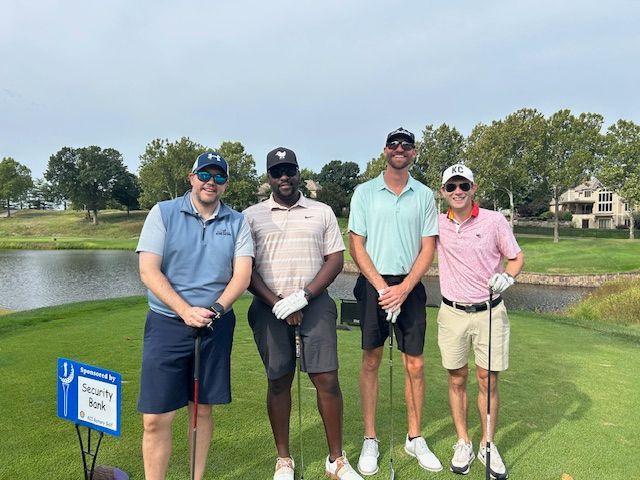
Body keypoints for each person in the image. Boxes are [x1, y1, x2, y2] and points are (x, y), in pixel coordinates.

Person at [243, 147, 363, 480]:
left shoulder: (321, 211)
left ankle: (335, 460)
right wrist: (278, 302)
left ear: (298, 173)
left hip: (316, 303)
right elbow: (244, 268)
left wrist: (303, 297)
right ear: (269, 177)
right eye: (277, 171)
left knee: (326, 378)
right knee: (278, 380)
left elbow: (335, 260)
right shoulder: (251, 216)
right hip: (269, 307)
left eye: (289, 170)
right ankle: (284, 459)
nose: (284, 177)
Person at [136, 152, 254, 480]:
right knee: (155, 417)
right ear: (192, 177)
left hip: (215, 324)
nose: (210, 182)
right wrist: (184, 310)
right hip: (167, 323)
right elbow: (148, 270)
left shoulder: (237, 221)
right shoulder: (163, 213)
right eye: (205, 175)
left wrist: (215, 309)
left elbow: (241, 276)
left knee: (201, 409)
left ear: (225, 184)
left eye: (218, 177)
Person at [348, 127, 442, 475]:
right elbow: (357, 244)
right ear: (385, 150)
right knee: (371, 359)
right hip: (374, 284)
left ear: (413, 153)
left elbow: (428, 246)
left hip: (410, 285)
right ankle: (370, 438)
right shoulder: (365, 192)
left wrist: (403, 289)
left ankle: (414, 436)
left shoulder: (424, 195)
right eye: (394, 145)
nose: (399, 149)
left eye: (406, 145)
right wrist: (382, 288)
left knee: (415, 364)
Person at [436, 164, 524, 479]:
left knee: (488, 379)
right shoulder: (436, 224)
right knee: (457, 378)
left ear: (473, 188)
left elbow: (516, 257)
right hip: (452, 312)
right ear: (443, 192)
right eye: (451, 187)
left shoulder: (494, 220)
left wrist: (508, 277)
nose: (457, 192)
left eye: (463, 186)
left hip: (490, 310)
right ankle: (464, 441)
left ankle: (488, 443)